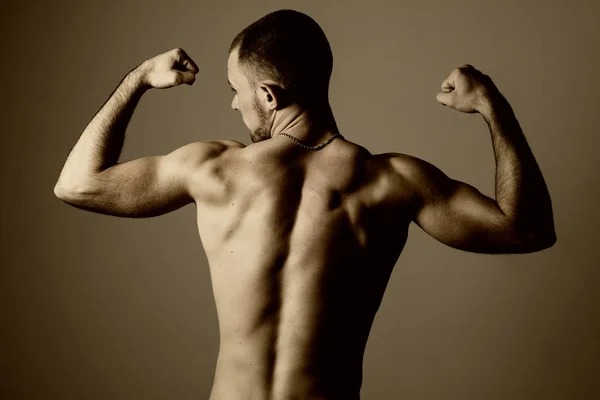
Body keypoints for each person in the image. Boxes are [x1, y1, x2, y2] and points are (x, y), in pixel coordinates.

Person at [53, 9, 556, 400]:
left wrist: (139, 77)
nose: (233, 104)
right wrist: (492, 103)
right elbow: (525, 229)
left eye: (236, 91)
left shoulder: (213, 169)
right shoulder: (393, 182)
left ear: (269, 96)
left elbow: (77, 184)